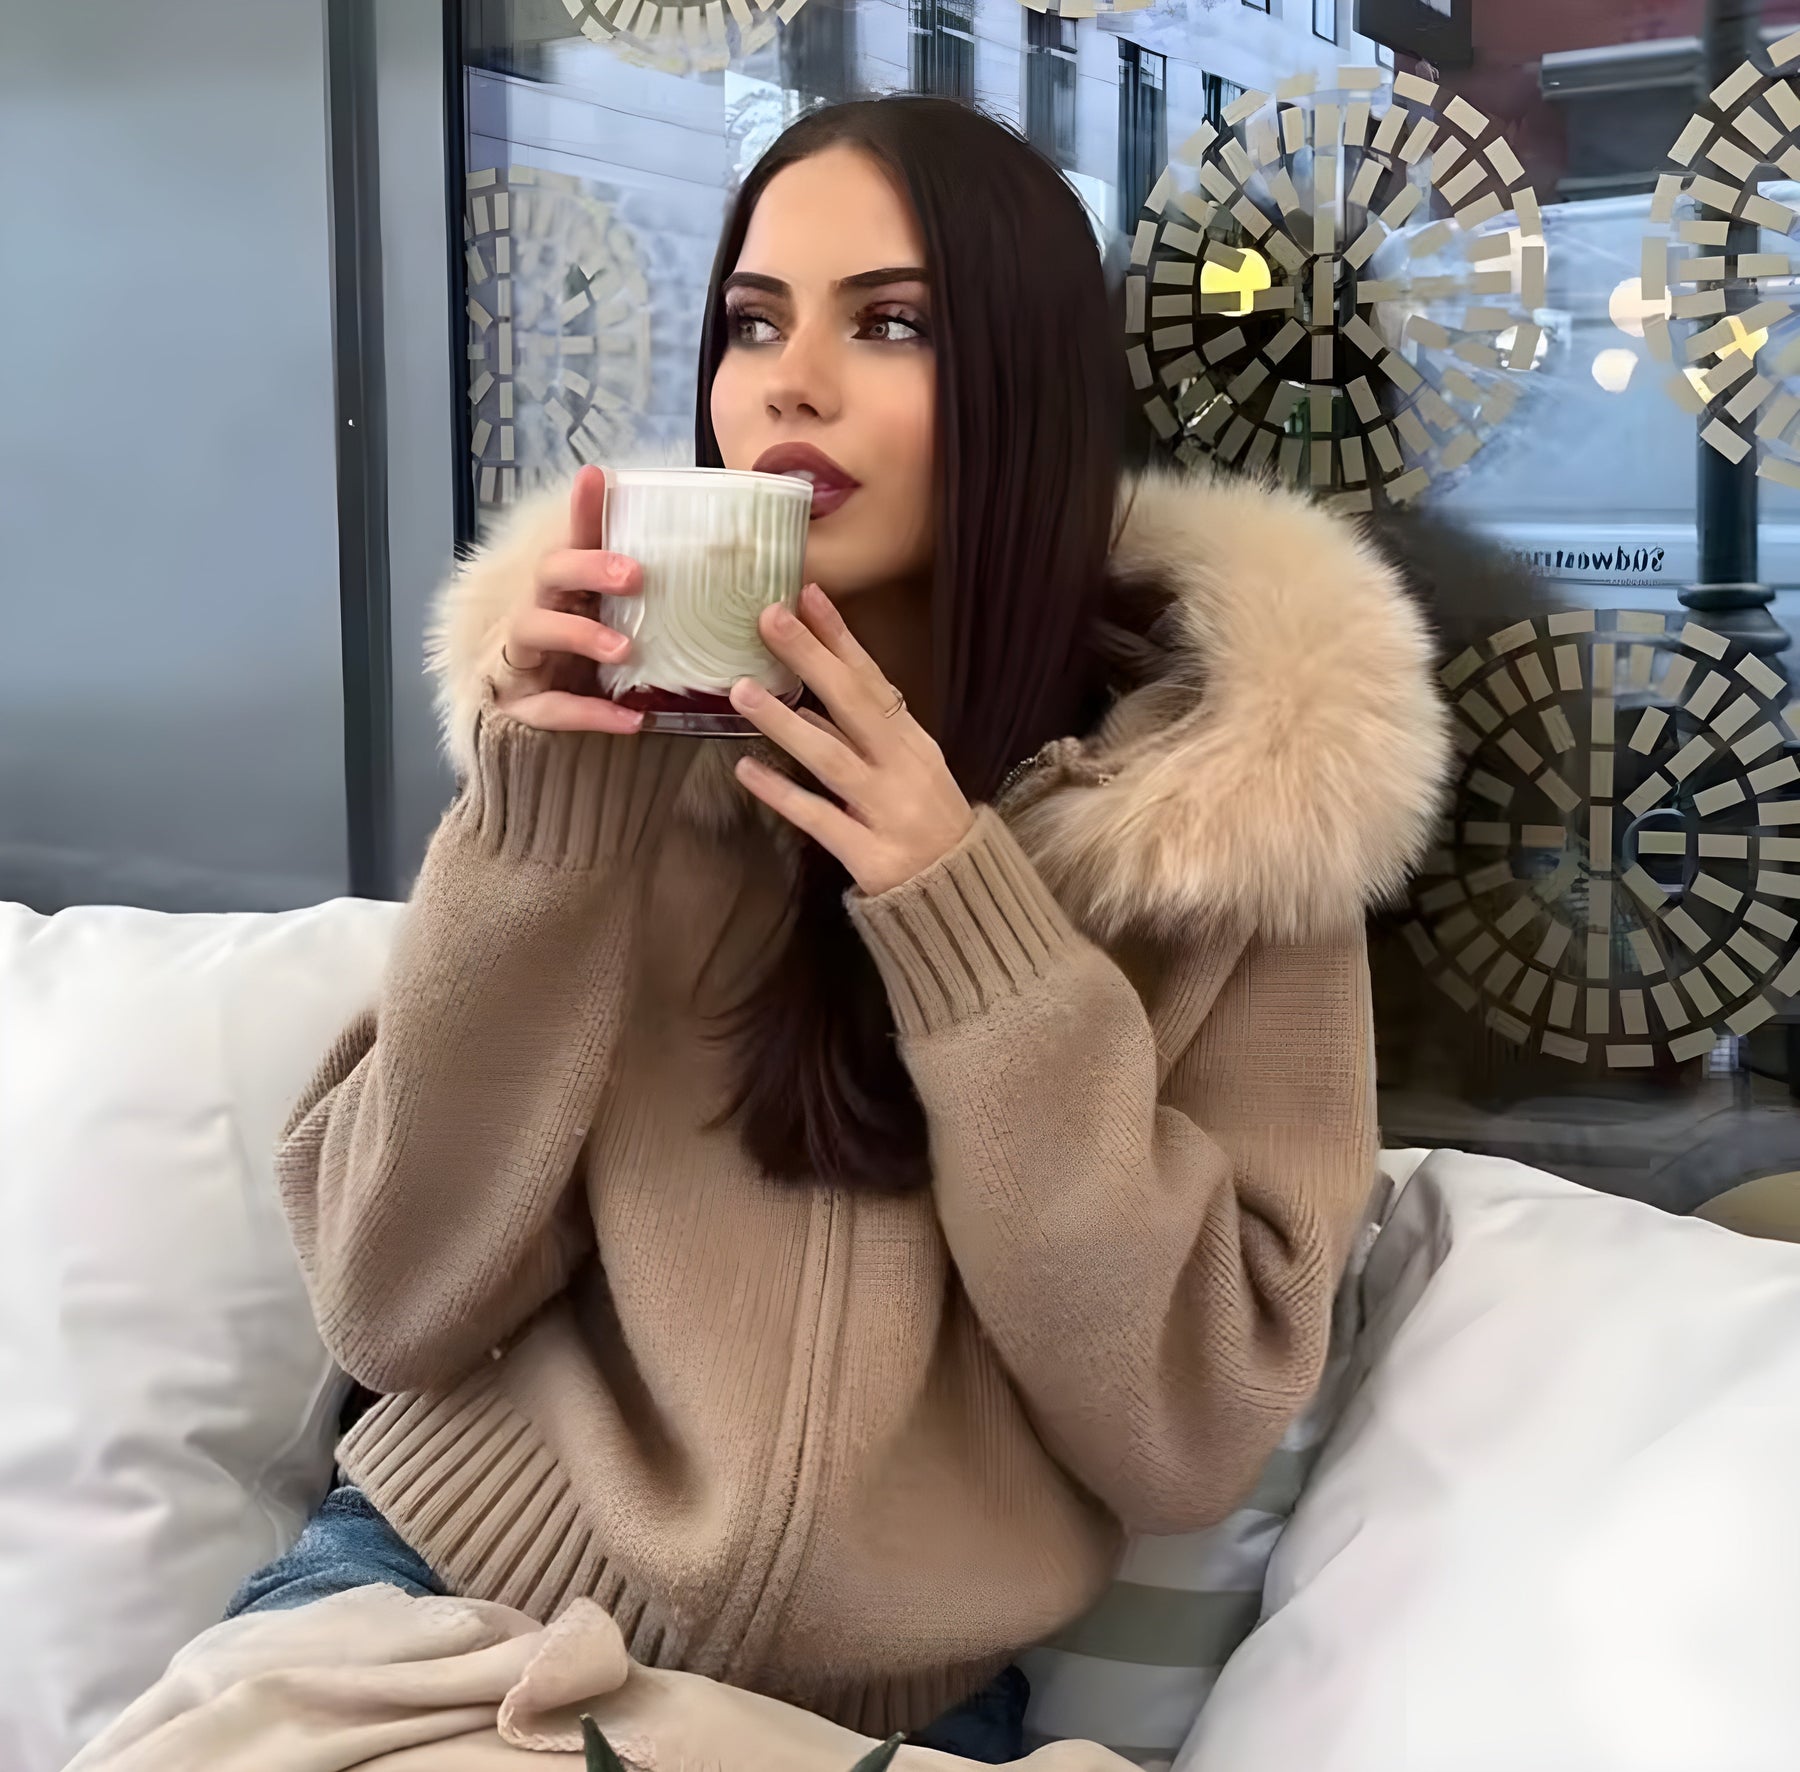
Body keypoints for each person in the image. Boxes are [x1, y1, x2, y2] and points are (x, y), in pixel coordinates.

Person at [239, 97, 1449, 1761]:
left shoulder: (1221, 826)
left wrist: (970, 926)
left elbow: (1186, 1426)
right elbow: (392, 1301)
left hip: (892, 1714)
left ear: (1028, 384)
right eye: (753, 324)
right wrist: (536, 833)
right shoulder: (610, 759)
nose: (787, 385)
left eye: (890, 324)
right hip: (438, 1598)